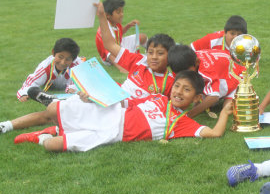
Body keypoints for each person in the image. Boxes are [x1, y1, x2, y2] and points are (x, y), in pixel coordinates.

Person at [0, 71, 233, 152]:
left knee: (52, 146)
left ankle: (42, 136)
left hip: (112, 133)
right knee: (51, 109)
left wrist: (224, 113)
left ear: (197, 98)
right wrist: (93, 98)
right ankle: (7, 125)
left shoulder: (183, 123)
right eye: (178, 86)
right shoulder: (157, 97)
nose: (179, 92)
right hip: (110, 113)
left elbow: (214, 134)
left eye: (187, 90)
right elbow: (124, 103)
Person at [96, 2, 176, 99]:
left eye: (160, 53)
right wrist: (102, 16)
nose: (154, 57)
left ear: (170, 55)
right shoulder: (139, 61)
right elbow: (110, 44)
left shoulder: (171, 81)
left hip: (133, 110)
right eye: (150, 52)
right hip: (116, 96)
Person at [168, 44, 245, 118]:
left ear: (197, 62)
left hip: (237, 74)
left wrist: (189, 115)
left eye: (186, 72)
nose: (183, 75)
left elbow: (213, 97)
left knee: (227, 108)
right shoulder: (183, 63)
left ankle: (231, 94)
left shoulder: (206, 70)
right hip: (221, 67)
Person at [17, 38, 83, 104]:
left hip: (67, 85)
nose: (63, 62)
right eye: (60, 57)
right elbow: (31, 82)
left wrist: (72, 89)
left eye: (67, 59)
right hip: (51, 85)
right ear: (53, 53)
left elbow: (82, 83)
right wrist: (24, 94)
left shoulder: (78, 65)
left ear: (73, 59)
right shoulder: (45, 66)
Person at [95, 0, 148, 73]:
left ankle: (150, 52)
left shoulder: (116, 24)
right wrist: (121, 68)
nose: (122, 14)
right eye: (118, 12)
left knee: (142, 37)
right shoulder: (105, 31)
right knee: (137, 60)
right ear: (107, 15)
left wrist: (128, 25)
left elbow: (119, 33)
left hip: (119, 45)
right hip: (110, 56)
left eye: (122, 11)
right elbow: (109, 54)